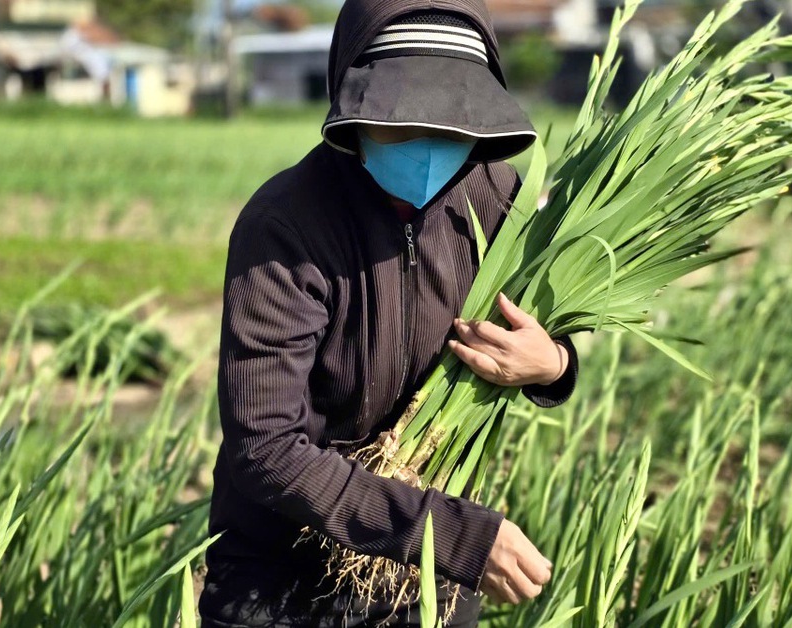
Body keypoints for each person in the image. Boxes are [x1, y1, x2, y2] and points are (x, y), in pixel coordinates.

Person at [199, 0, 580, 624]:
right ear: (356, 110)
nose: (429, 146)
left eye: (451, 124)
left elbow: (550, 335)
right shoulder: (287, 226)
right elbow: (265, 447)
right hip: (278, 581)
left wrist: (552, 365)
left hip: (422, 585)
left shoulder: (501, 205)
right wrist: (452, 536)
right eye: (402, 123)